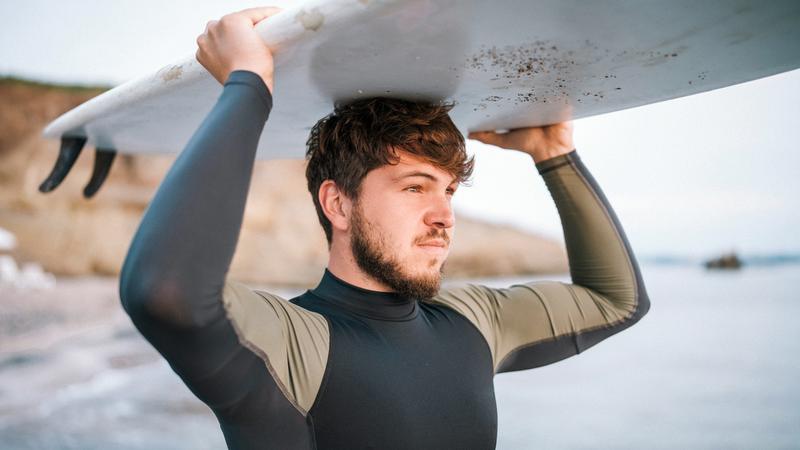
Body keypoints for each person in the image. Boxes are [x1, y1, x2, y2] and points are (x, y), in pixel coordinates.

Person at [119, 6, 650, 450]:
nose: (444, 215)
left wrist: (555, 156)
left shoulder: (473, 322)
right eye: (415, 187)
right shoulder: (294, 345)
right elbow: (166, 291)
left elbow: (616, 302)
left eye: (448, 191)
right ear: (338, 204)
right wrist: (248, 83)